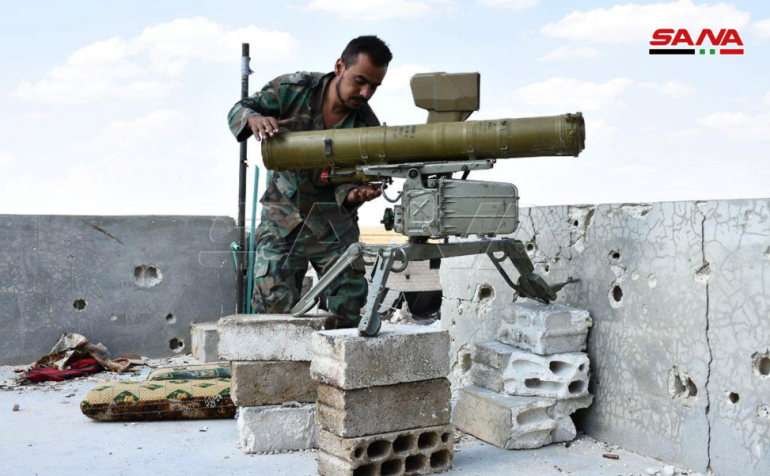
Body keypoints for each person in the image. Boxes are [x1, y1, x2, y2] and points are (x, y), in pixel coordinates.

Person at [227, 35, 391, 328]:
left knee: (350, 303)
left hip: (331, 221)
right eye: (359, 81)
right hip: (282, 216)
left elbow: (353, 181)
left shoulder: (367, 126)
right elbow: (239, 109)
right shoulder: (293, 90)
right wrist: (254, 120)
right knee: (271, 307)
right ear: (340, 66)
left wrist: (353, 195)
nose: (365, 93)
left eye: (374, 86)